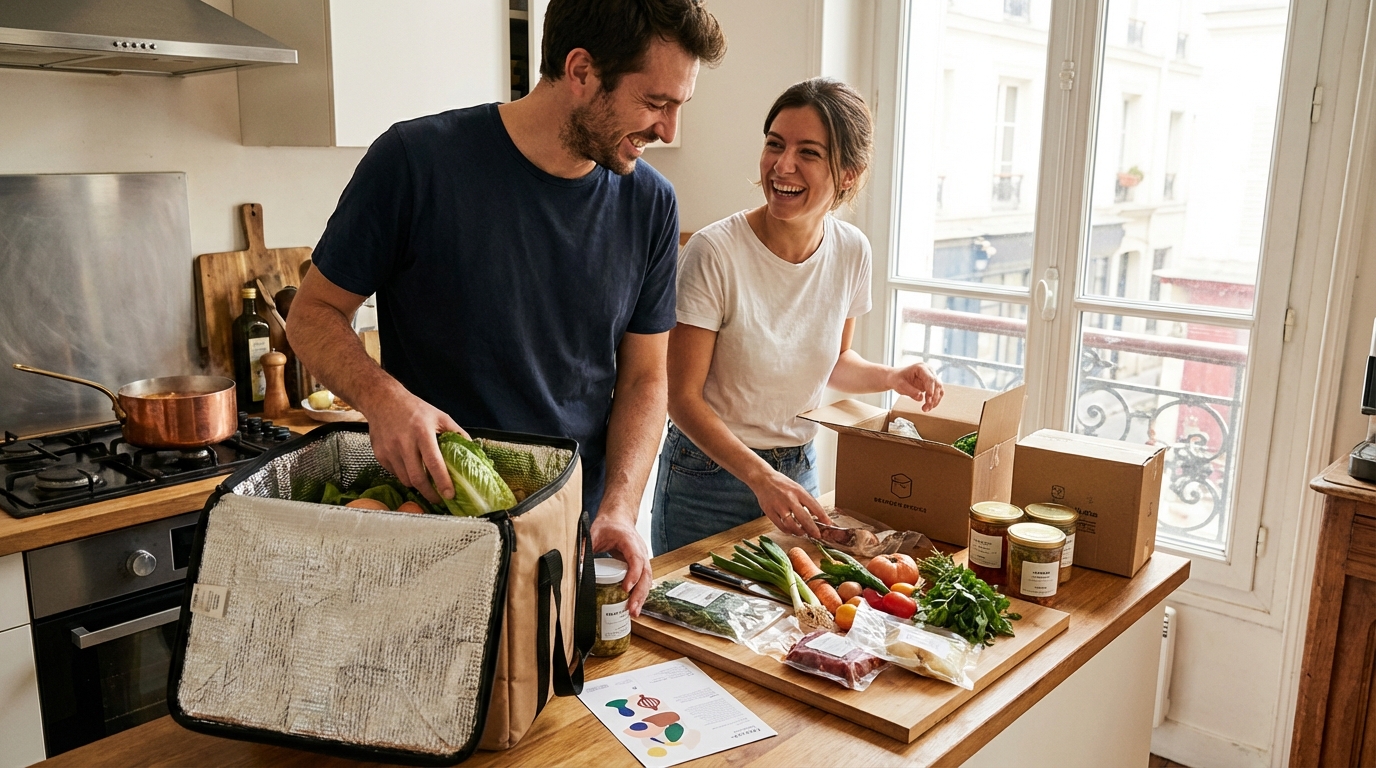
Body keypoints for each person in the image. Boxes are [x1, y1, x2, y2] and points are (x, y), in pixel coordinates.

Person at [286, 0, 727, 615]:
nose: (669, 131)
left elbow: (647, 376)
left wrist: (620, 508)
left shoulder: (651, 203)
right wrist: (384, 398)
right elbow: (311, 315)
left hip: (566, 538)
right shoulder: (417, 160)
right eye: (656, 103)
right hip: (432, 528)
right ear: (580, 71)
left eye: (679, 107)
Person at [650, 78, 944, 557]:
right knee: (698, 626)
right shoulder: (714, 251)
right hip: (705, 479)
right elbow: (680, 398)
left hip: (797, 473)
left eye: (808, 152)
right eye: (774, 144)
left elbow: (834, 360)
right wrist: (759, 476)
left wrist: (892, 376)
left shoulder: (852, 251)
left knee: (792, 626)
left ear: (849, 173)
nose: (782, 165)